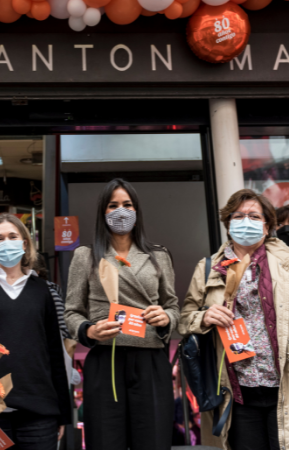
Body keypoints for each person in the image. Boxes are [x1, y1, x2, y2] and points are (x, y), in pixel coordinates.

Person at [179, 188, 289, 450]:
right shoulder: (208, 269)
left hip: (288, 390)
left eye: (253, 216)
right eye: (238, 216)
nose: (245, 222)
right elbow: (184, 319)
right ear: (228, 224)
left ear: (267, 225)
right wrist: (204, 317)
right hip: (236, 394)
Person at [64, 178, 180, 450]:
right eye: (113, 205)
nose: (121, 211)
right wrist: (89, 331)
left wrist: (166, 319)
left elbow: (174, 308)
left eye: (127, 205)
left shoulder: (158, 256)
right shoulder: (86, 255)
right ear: (102, 212)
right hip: (106, 360)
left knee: (153, 440)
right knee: (105, 440)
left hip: (151, 361)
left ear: (137, 211)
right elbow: (71, 313)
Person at [0, 213, 71, 450]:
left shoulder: (43, 291)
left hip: (40, 413)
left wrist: (63, 412)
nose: (6, 242)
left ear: (24, 244)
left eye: (12, 236)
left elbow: (54, 353)